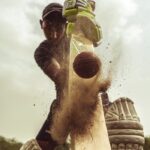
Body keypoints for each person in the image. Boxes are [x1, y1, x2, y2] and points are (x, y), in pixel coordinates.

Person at [20, 1, 101, 150]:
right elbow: (59, 75)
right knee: (36, 148)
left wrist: (86, 16)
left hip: (92, 97)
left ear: (66, 24)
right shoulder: (42, 51)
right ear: (41, 24)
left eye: (59, 27)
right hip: (63, 105)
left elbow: (95, 39)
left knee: (119, 128)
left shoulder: (77, 39)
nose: (54, 33)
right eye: (48, 27)